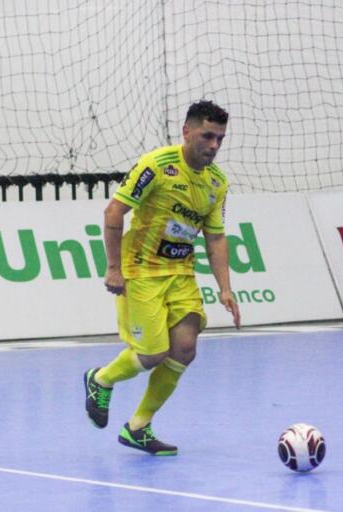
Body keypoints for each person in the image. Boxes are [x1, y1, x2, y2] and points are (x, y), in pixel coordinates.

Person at [85, 100, 241, 455]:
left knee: (185, 348)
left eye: (220, 138)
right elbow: (114, 211)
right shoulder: (156, 166)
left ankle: (138, 426)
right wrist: (114, 268)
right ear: (186, 132)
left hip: (181, 273)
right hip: (141, 271)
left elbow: (215, 237)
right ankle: (101, 379)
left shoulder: (217, 182)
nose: (214, 146)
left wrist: (226, 288)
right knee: (153, 354)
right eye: (207, 136)